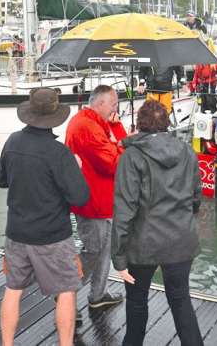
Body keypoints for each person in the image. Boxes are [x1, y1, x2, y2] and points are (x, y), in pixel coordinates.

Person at [0, 88, 90, 346]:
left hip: (16, 231)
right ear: (55, 116)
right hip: (51, 236)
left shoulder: (13, 142)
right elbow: (80, 197)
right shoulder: (58, 153)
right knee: (67, 289)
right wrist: (77, 168)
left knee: (13, 289)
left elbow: (2, 181)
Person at [112, 100, 203, 346]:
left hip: (144, 242)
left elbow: (124, 209)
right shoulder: (186, 151)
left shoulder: (131, 156)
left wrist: (118, 257)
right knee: (180, 299)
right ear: (167, 123)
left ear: (139, 125)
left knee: (137, 301)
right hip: (181, 240)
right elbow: (196, 197)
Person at [65, 85, 128, 312]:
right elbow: (114, 163)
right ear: (100, 103)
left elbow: (119, 146)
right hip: (92, 201)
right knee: (93, 250)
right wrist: (122, 148)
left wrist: (116, 126)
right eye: (113, 103)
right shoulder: (88, 127)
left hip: (101, 199)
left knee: (103, 249)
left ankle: (98, 294)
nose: (115, 107)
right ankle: (66, 293)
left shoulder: (92, 122)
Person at [190, 42, 217, 114]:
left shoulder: (215, 59)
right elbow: (196, 73)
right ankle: (203, 119)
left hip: (210, 85)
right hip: (201, 86)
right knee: (202, 105)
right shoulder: (199, 59)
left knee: (211, 103)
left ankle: (213, 118)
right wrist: (193, 86)